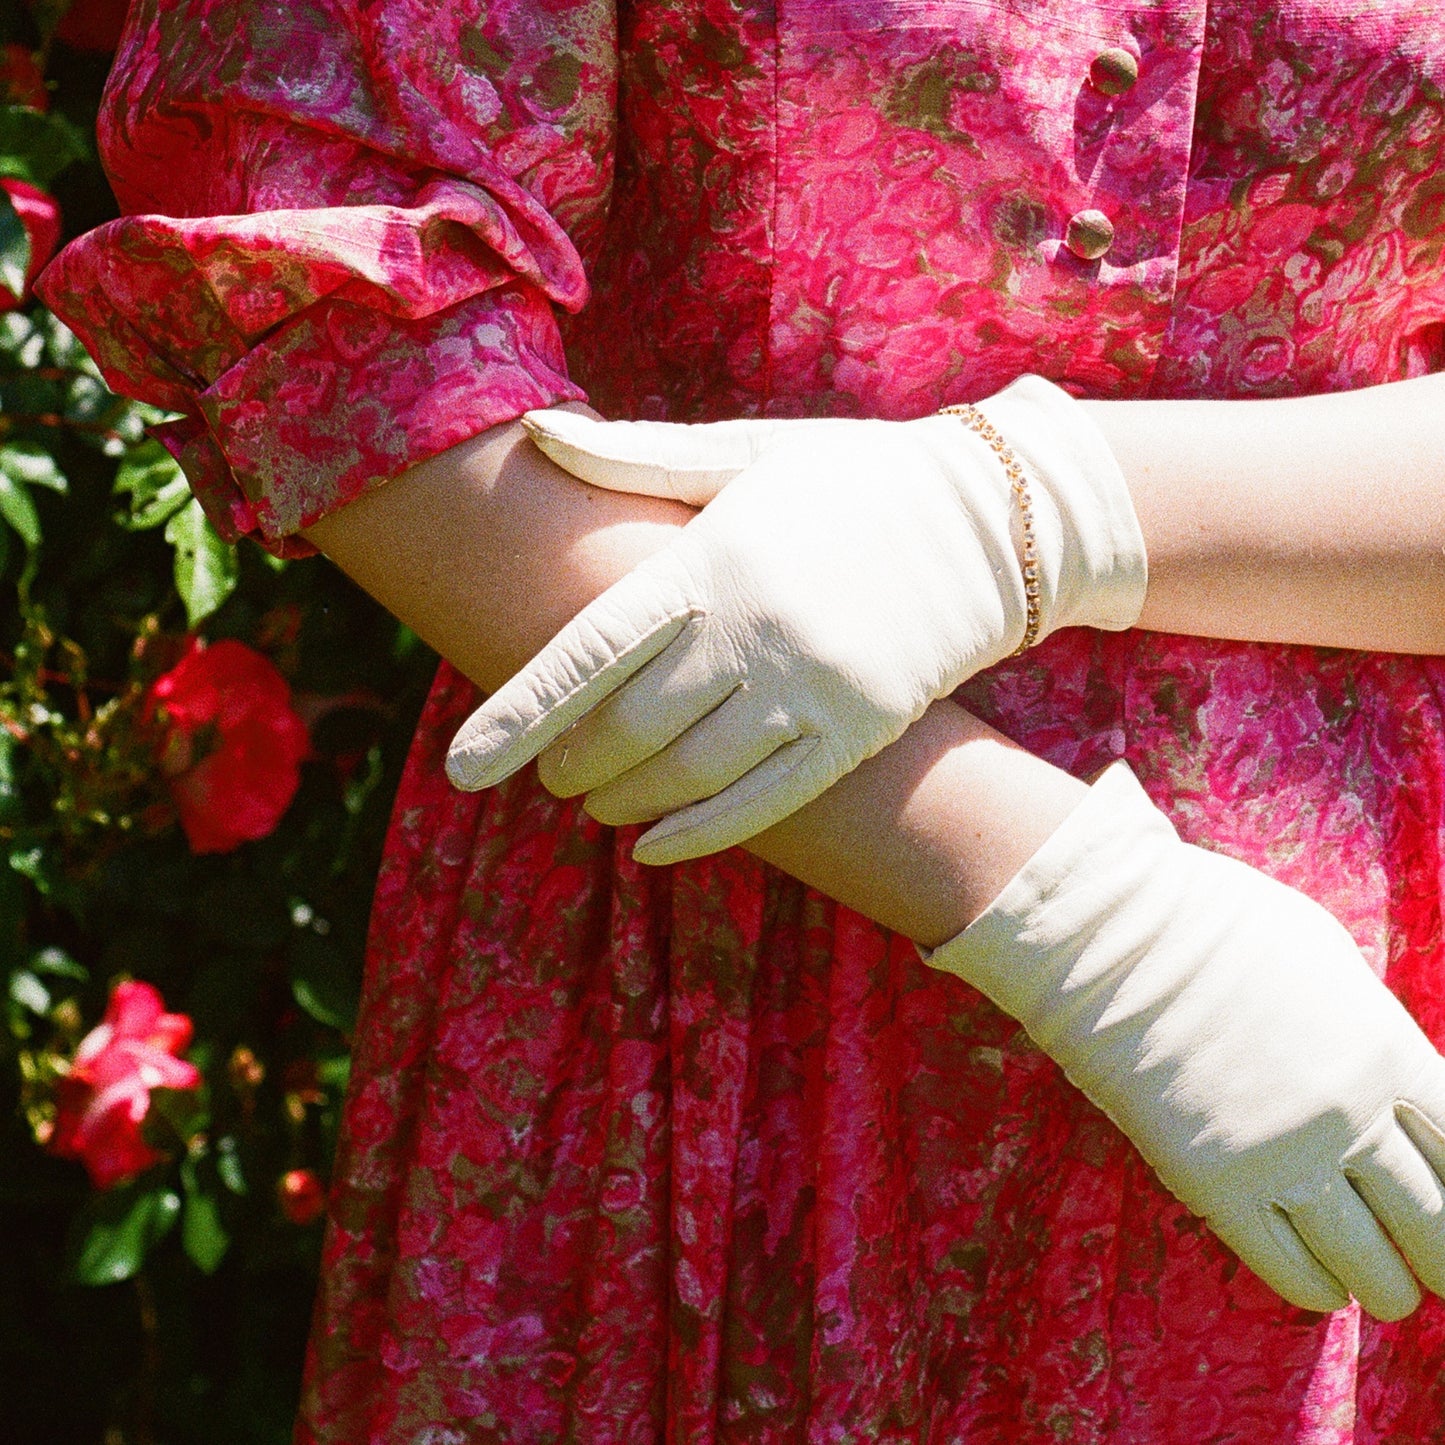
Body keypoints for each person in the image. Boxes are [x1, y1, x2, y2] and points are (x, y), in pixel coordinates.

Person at [39, 0, 1445, 1438]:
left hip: (1343, 995)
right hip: (709, 904)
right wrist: (1092, 925)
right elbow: (347, 317)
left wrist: (1043, 508)